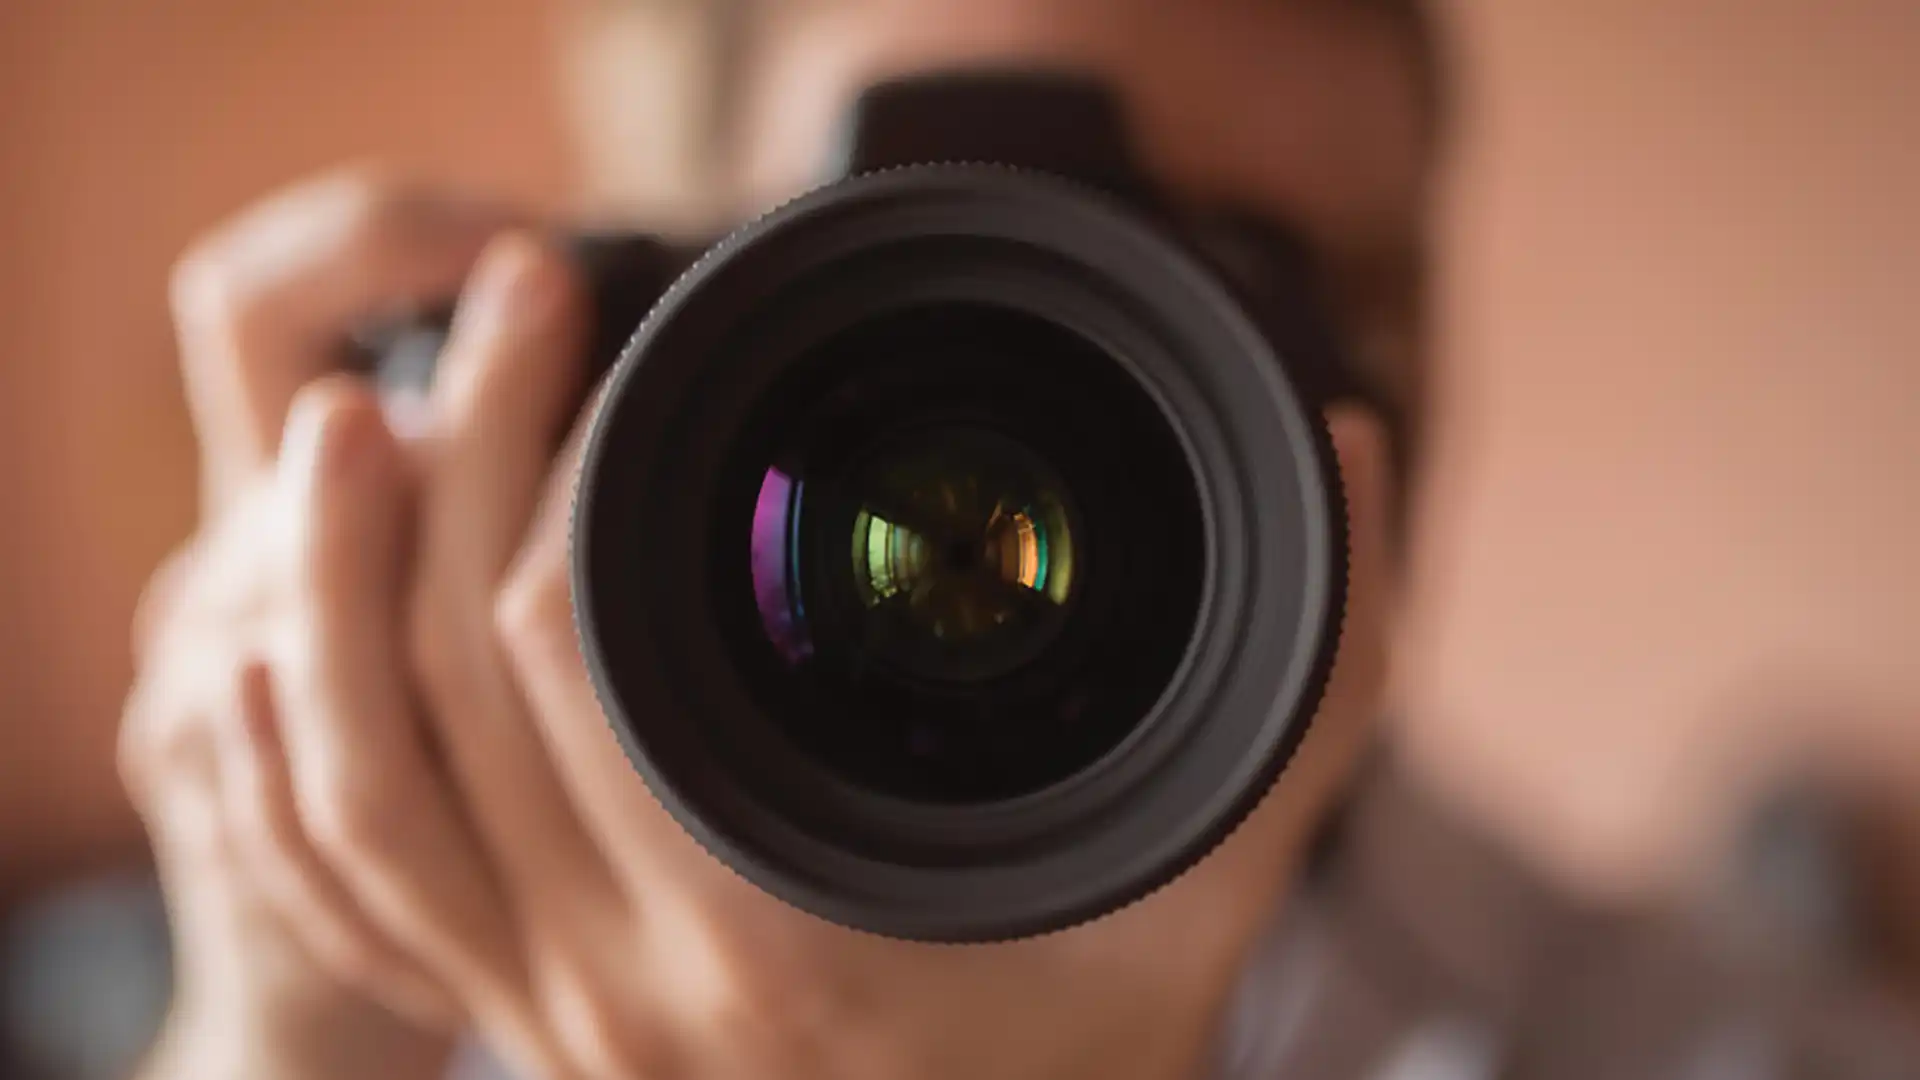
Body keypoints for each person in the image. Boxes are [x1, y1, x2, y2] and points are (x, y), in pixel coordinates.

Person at [117, 1, 1437, 1079]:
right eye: (901, 238)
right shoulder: (430, 936)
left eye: (1263, 280)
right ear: (632, 348)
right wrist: (287, 1040)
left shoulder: (1616, 1020)